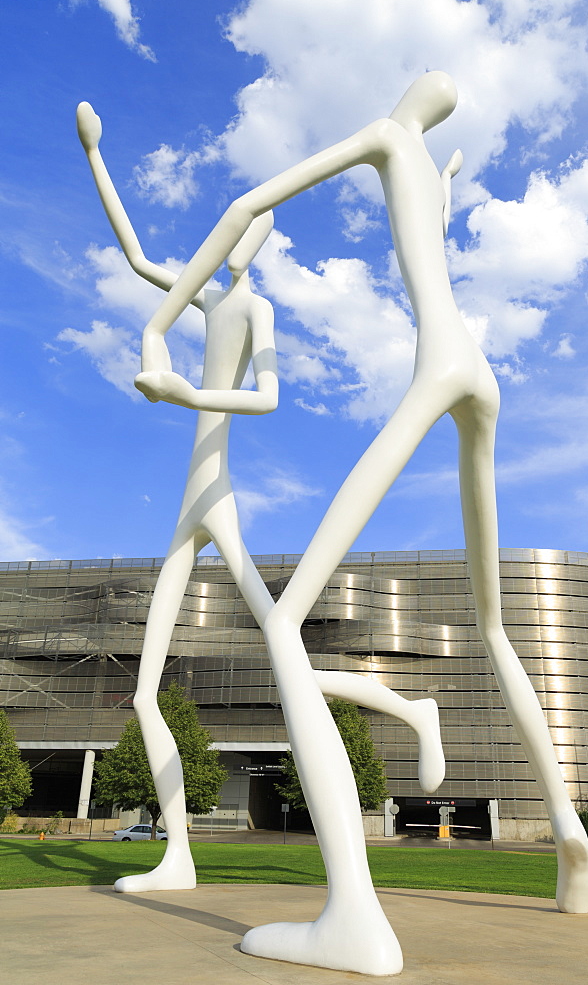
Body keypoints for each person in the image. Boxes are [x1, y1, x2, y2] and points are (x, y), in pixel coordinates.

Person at [130, 71, 588, 974]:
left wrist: (158, 334)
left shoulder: (390, 137)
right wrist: (448, 184)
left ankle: (351, 914)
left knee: (281, 624)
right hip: (482, 376)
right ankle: (569, 827)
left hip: (435, 371)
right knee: (496, 623)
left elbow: (248, 198)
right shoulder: (428, 168)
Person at [76, 103, 444, 902]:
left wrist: (183, 392)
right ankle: (178, 853)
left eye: (254, 231)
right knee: (144, 692)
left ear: (261, 243)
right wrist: (95, 156)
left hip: (222, 497)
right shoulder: (207, 303)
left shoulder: (259, 310)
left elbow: (270, 398)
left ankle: (406, 707)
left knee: (286, 660)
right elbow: (137, 255)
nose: (237, 240)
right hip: (187, 502)